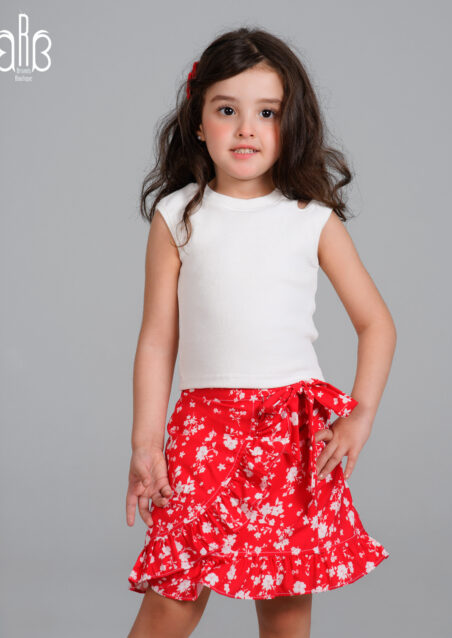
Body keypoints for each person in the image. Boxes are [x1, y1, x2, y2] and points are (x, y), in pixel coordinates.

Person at [125, 26, 395, 638]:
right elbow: (157, 339)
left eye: (267, 113)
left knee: (286, 604)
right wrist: (145, 443)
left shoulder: (311, 220)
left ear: (289, 123)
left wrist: (360, 416)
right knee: (174, 595)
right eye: (228, 110)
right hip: (204, 431)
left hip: (290, 435)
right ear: (199, 122)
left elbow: (376, 323)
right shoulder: (177, 216)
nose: (247, 129)